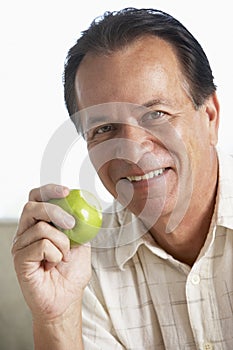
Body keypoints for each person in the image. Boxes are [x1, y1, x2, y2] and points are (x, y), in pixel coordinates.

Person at [12, 7, 233, 350]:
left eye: (156, 114)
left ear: (210, 117)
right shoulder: (81, 267)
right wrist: (57, 320)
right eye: (104, 129)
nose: (130, 150)